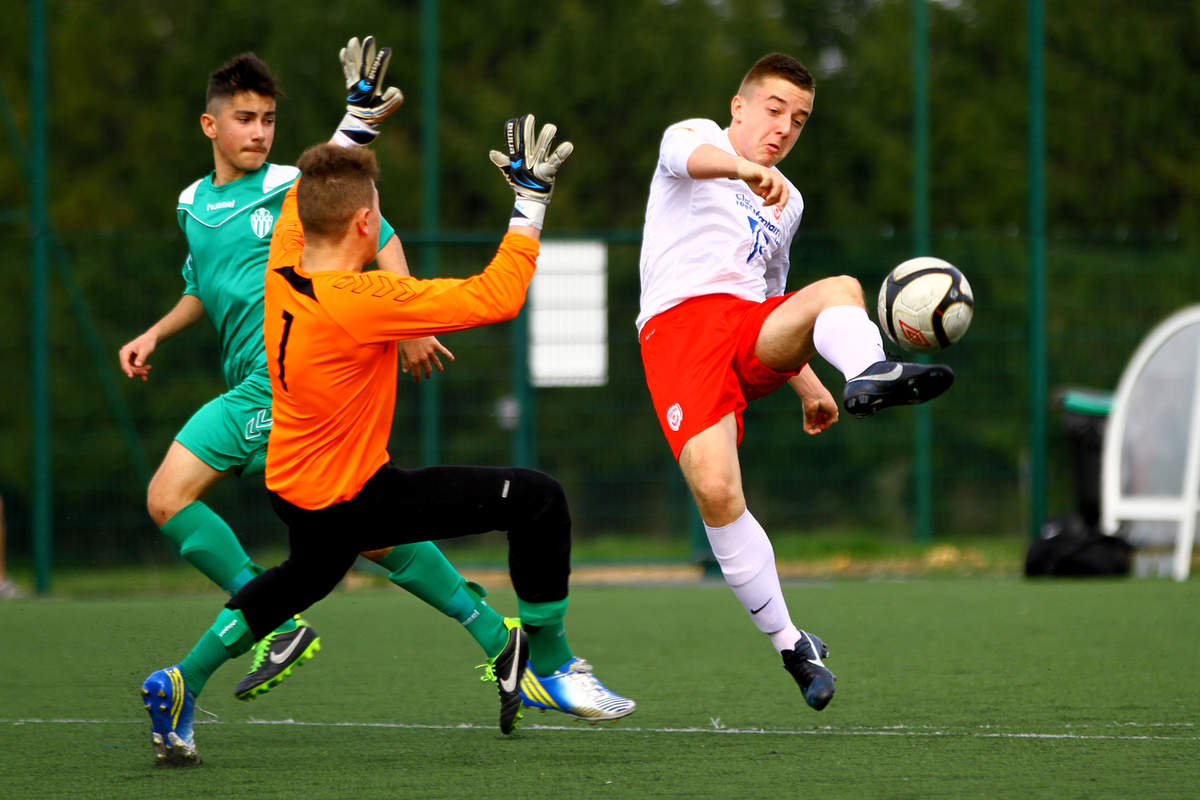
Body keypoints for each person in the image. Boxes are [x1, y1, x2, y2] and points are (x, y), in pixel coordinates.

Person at [140, 117, 635, 765]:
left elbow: (313, 188)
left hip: (292, 488)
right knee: (538, 500)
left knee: (299, 581)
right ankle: (551, 662)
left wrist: (353, 130)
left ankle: (180, 682)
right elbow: (497, 296)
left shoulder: (285, 259)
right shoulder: (361, 299)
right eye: (374, 212)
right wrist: (530, 203)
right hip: (355, 497)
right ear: (364, 228)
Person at [119, 41, 514, 704]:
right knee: (370, 534)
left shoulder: (290, 190)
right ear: (210, 126)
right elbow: (204, 285)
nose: (259, 131)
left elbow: (377, 233)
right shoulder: (191, 204)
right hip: (249, 384)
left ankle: (271, 617)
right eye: (245, 118)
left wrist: (411, 323)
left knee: (190, 499)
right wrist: (156, 331)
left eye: (268, 119)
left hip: (290, 388)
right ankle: (496, 639)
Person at [636, 53, 954, 712]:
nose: (783, 128)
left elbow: (776, 300)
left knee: (838, 289)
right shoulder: (695, 138)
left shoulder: (789, 201)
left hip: (748, 328)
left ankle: (868, 371)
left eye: (799, 120)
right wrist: (746, 168)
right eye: (774, 110)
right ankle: (792, 644)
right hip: (680, 333)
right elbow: (687, 157)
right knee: (719, 492)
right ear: (739, 106)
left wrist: (807, 383)